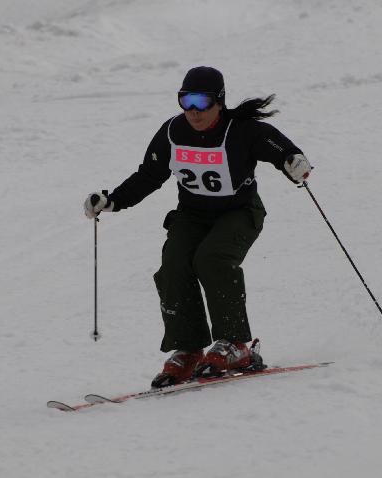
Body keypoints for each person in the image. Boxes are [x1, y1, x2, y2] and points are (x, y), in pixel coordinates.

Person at [84, 66, 312, 387]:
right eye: (186, 100)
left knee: (212, 259)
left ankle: (234, 344)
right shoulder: (172, 132)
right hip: (192, 214)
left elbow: (282, 150)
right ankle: (189, 349)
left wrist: (294, 162)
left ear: (219, 101)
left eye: (202, 102)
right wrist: (113, 201)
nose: (193, 111)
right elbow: (149, 175)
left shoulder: (242, 130)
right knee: (173, 266)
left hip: (239, 211)